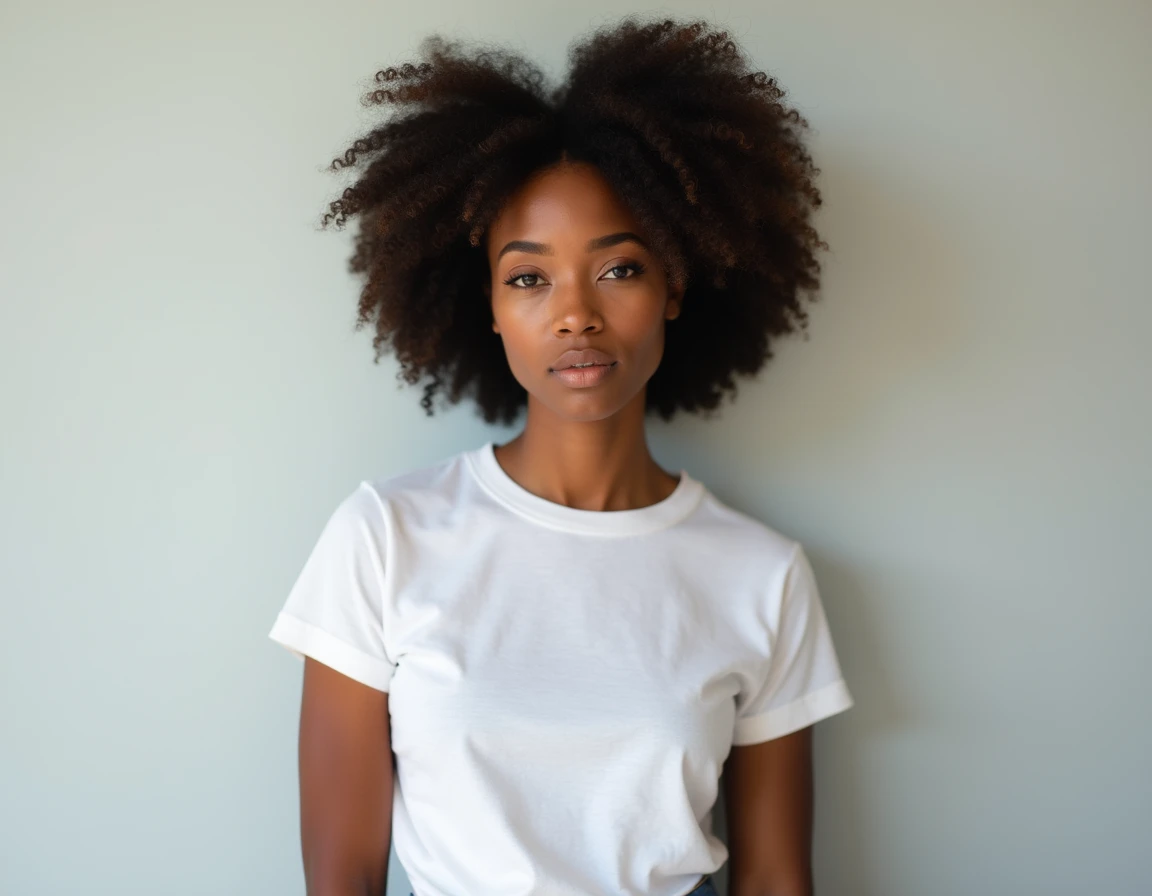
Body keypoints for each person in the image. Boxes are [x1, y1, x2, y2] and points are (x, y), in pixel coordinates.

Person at [268, 15, 854, 896]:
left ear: (674, 287)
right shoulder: (385, 540)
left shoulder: (763, 577)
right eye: (530, 277)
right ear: (491, 308)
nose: (575, 314)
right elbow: (342, 874)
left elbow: (777, 879)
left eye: (618, 269)